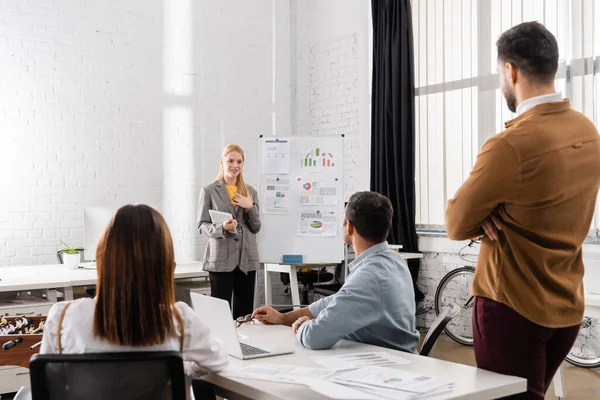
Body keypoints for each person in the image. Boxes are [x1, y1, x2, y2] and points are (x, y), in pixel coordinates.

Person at [446, 22, 600, 399]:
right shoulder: (589, 133)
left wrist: (488, 215)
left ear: (510, 71)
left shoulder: (511, 145)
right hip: (566, 307)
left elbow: (455, 222)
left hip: (512, 308)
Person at [40, 204, 228, 376]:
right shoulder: (180, 320)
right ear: (166, 265)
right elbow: (217, 361)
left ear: (102, 260)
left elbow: (48, 380)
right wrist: (180, 369)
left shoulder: (63, 317)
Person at [252, 191, 419, 352]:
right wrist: (284, 318)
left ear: (350, 227)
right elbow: (339, 300)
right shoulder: (393, 260)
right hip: (388, 355)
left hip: (385, 365)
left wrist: (301, 326)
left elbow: (314, 337)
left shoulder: (368, 276)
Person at [197, 144, 261, 319]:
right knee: (220, 313)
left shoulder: (250, 192)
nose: (235, 165)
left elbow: (256, 227)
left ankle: (245, 346)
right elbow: (202, 225)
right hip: (220, 259)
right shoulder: (209, 190)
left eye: (239, 161)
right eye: (230, 160)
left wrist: (250, 207)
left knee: (245, 313)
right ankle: (222, 346)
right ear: (222, 163)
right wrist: (222, 228)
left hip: (245, 258)